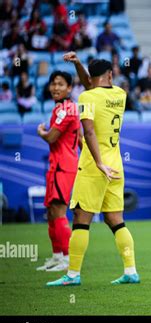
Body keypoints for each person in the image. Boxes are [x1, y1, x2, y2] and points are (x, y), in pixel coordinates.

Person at [47, 52, 139, 287]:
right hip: (116, 164)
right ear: (109, 74)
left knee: (80, 218)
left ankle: (73, 274)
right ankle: (131, 270)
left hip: (94, 165)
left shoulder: (86, 97)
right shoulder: (120, 94)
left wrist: (98, 162)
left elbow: (87, 132)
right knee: (115, 219)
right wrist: (78, 64)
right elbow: (93, 84)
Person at [36, 71, 82, 272]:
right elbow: (80, 137)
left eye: (60, 84)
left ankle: (67, 259)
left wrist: (42, 133)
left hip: (63, 166)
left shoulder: (66, 109)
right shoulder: (64, 109)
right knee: (51, 211)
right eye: (53, 84)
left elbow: (52, 137)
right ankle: (57, 256)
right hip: (58, 166)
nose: (55, 87)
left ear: (69, 88)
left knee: (59, 210)